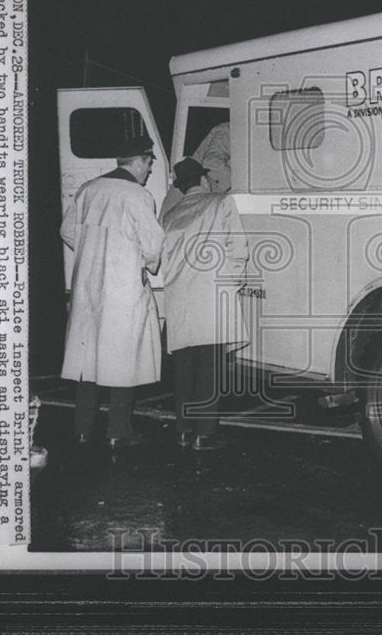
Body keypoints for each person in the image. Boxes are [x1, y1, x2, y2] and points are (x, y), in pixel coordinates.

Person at [60, 134, 164, 449]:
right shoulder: (137, 195)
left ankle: (81, 429)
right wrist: (139, 262)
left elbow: (66, 230)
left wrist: (94, 254)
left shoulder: (88, 190)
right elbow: (153, 244)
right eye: (149, 165)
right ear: (141, 161)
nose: (149, 173)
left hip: (87, 289)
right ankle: (118, 432)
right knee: (123, 359)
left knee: (87, 360)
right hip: (123, 289)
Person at [162, 157, 248, 451]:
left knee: (184, 370)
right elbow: (239, 249)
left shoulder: (171, 215)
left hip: (178, 301)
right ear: (202, 180)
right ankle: (204, 435)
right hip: (210, 298)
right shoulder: (220, 202)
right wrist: (231, 286)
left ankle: (184, 431)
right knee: (210, 369)